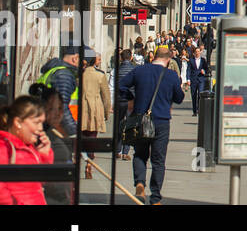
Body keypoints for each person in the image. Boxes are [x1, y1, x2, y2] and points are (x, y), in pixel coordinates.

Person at [118, 45, 187, 205]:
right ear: (168, 59)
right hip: (161, 121)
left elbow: (121, 85)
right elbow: (179, 98)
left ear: (153, 56)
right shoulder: (171, 75)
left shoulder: (140, 71)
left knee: (140, 154)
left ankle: (139, 184)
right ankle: (155, 197)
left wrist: (131, 98)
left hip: (140, 119)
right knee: (158, 160)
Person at [0, 96, 54, 205]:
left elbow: (39, 181)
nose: (40, 128)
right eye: (36, 122)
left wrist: (44, 155)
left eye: (42, 123)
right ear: (18, 123)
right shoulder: (4, 147)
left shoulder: (29, 148)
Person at [79, 49, 113, 181]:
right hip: (95, 109)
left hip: (81, 109)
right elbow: (106, 96)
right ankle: (89, 164)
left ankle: (80, 161)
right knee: (92, 138)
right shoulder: (100, 75)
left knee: (81, 138)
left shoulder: (79, 74)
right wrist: (106, 113)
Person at [36, 45, 81, 138]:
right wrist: (72, 131)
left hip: (50, 126)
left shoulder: (54, 71)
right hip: (58, 130)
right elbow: (61, 106)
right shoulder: (64, 75)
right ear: (75, 58)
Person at [187, 47, 211, 116]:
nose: (197, 53)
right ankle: (194, 111)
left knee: (200, 94)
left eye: (198, 51)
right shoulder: (191, 60)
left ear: (200, 52)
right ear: (194, 53)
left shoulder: (203, 60)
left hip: (201, 79)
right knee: (194, 95)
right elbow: (188, 70)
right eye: (196, 52)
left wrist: (204, 71)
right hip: (193, 79)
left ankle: (199, 110)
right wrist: (188, 79)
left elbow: (207, 69)